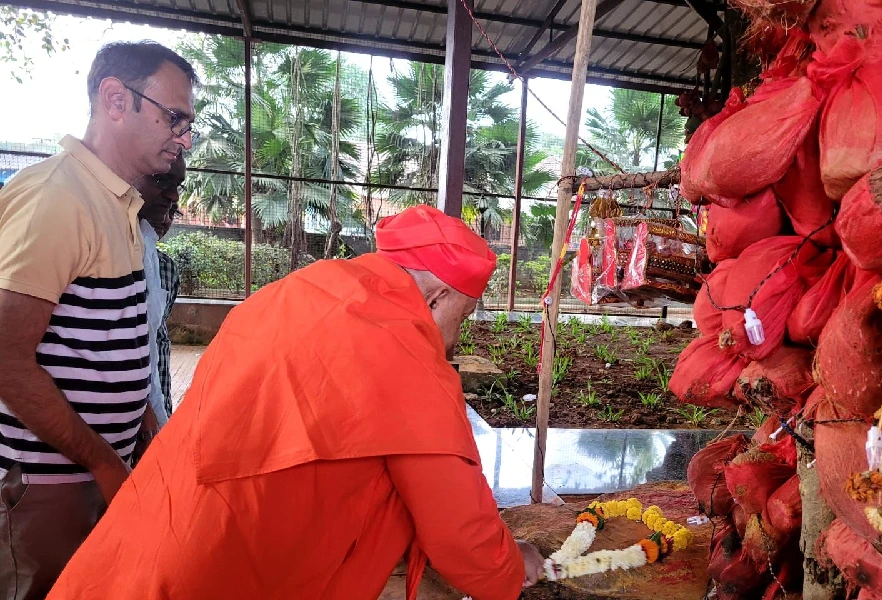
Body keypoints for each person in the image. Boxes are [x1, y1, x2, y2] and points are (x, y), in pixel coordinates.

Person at [46, 205, 545, 600]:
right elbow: (460, 536)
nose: (456, 337)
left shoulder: (293, 293)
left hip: (150, 534)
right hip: (222, 569)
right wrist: (511, 563)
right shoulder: (407, 352)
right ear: (436, 298)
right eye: (464, 316)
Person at [0, 41, 196, 600]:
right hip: (43, 483)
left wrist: (144, 430)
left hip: (87, 472)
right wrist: (105, 463)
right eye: (174, 117)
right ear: (115, 98)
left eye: (188, 123)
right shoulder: (57, 197)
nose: (183, 137)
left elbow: (108, 344)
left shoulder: (119, 208)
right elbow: (6, 359)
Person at [132, 155, 186, 459]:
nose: (172, 197)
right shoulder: (117, 249)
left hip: (156, 384)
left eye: (177, 185)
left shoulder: (163, 266)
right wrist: (143, 409)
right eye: (163, 181)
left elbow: (155, 332)